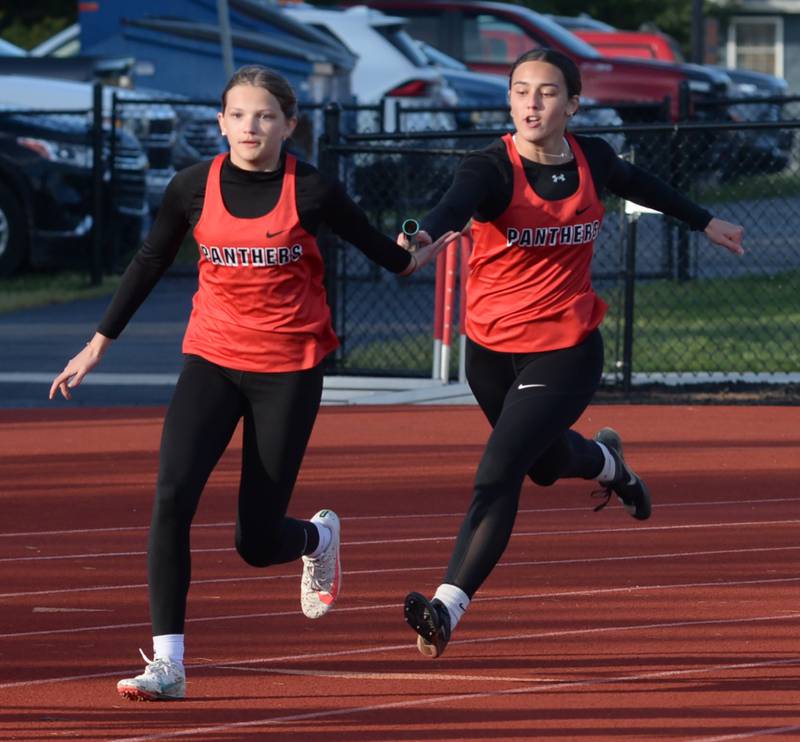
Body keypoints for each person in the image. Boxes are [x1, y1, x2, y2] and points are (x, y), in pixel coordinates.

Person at [49, 65, 457, 700]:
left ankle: (317, 537)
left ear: (290, 125)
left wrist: (416, 253)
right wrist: (99, 342)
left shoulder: (314, 190)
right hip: (211, 359)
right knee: (171, 499)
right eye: (238, 114)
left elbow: (389, 255)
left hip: (288, 370)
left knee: (256, 540)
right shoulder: (191, 186)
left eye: (265, 115)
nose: (250, 126)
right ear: (220, 122)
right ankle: (169, 665)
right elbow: (152, 258)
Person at [399, 48, 745, 659]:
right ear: (508, 100)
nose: (532, 103)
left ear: (573, 104)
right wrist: (424, 236)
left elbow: (645, 185)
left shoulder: (594, 159)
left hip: (567, 347)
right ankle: (612, 466)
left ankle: (446, 608)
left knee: (498, 472)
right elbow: (452, 208)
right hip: (489, 350)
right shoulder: (490, 168)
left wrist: (706, 221)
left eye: (547, 92)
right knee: (543, 462)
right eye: (521, 90)